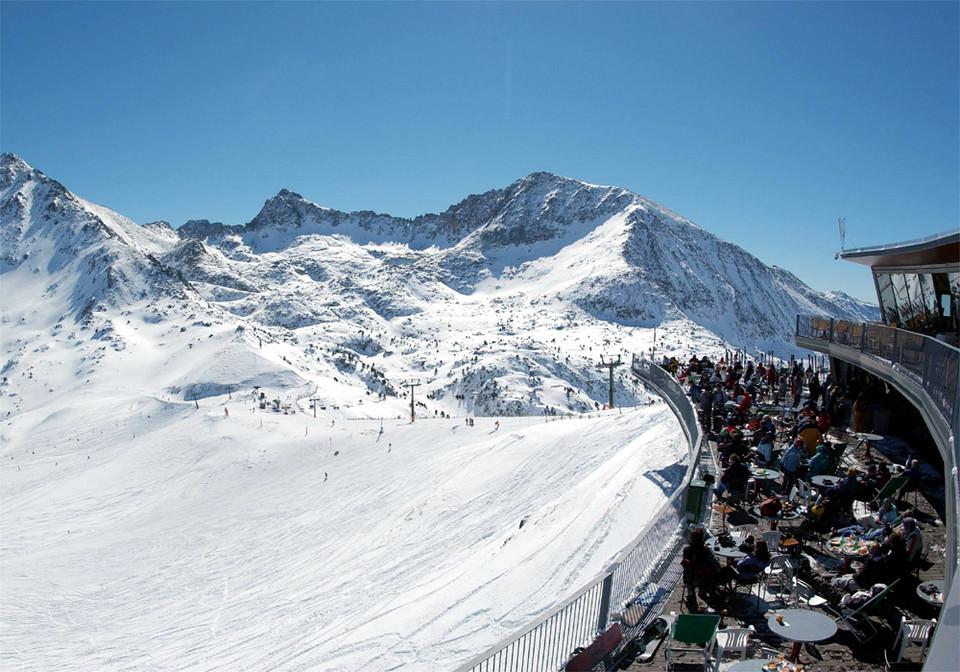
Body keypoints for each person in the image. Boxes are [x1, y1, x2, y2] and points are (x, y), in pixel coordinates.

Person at [681, 527, 721, 609]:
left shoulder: (686, 550)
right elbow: (717, 565)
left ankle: (691, 595)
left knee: (692, 572)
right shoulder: (706, 551)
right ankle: (703, 592)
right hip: (704, 579)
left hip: (690, 579)